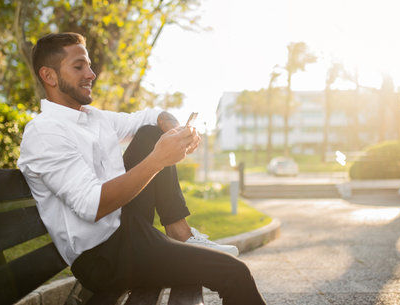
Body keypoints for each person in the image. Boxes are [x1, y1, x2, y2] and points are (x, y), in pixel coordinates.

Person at [18, 32, 266, 305]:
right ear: (49, 76)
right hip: (104, 258)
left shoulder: (93, 118)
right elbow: (93, 205)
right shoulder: (44, 133)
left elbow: (151, 116)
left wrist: (175, 131)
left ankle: (180, 232)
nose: (91, 73)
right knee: (234, 272)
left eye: (89, 65)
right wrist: (159, 159)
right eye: (79, 66)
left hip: (128, 229)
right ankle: (179, 239)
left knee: (151, 132)